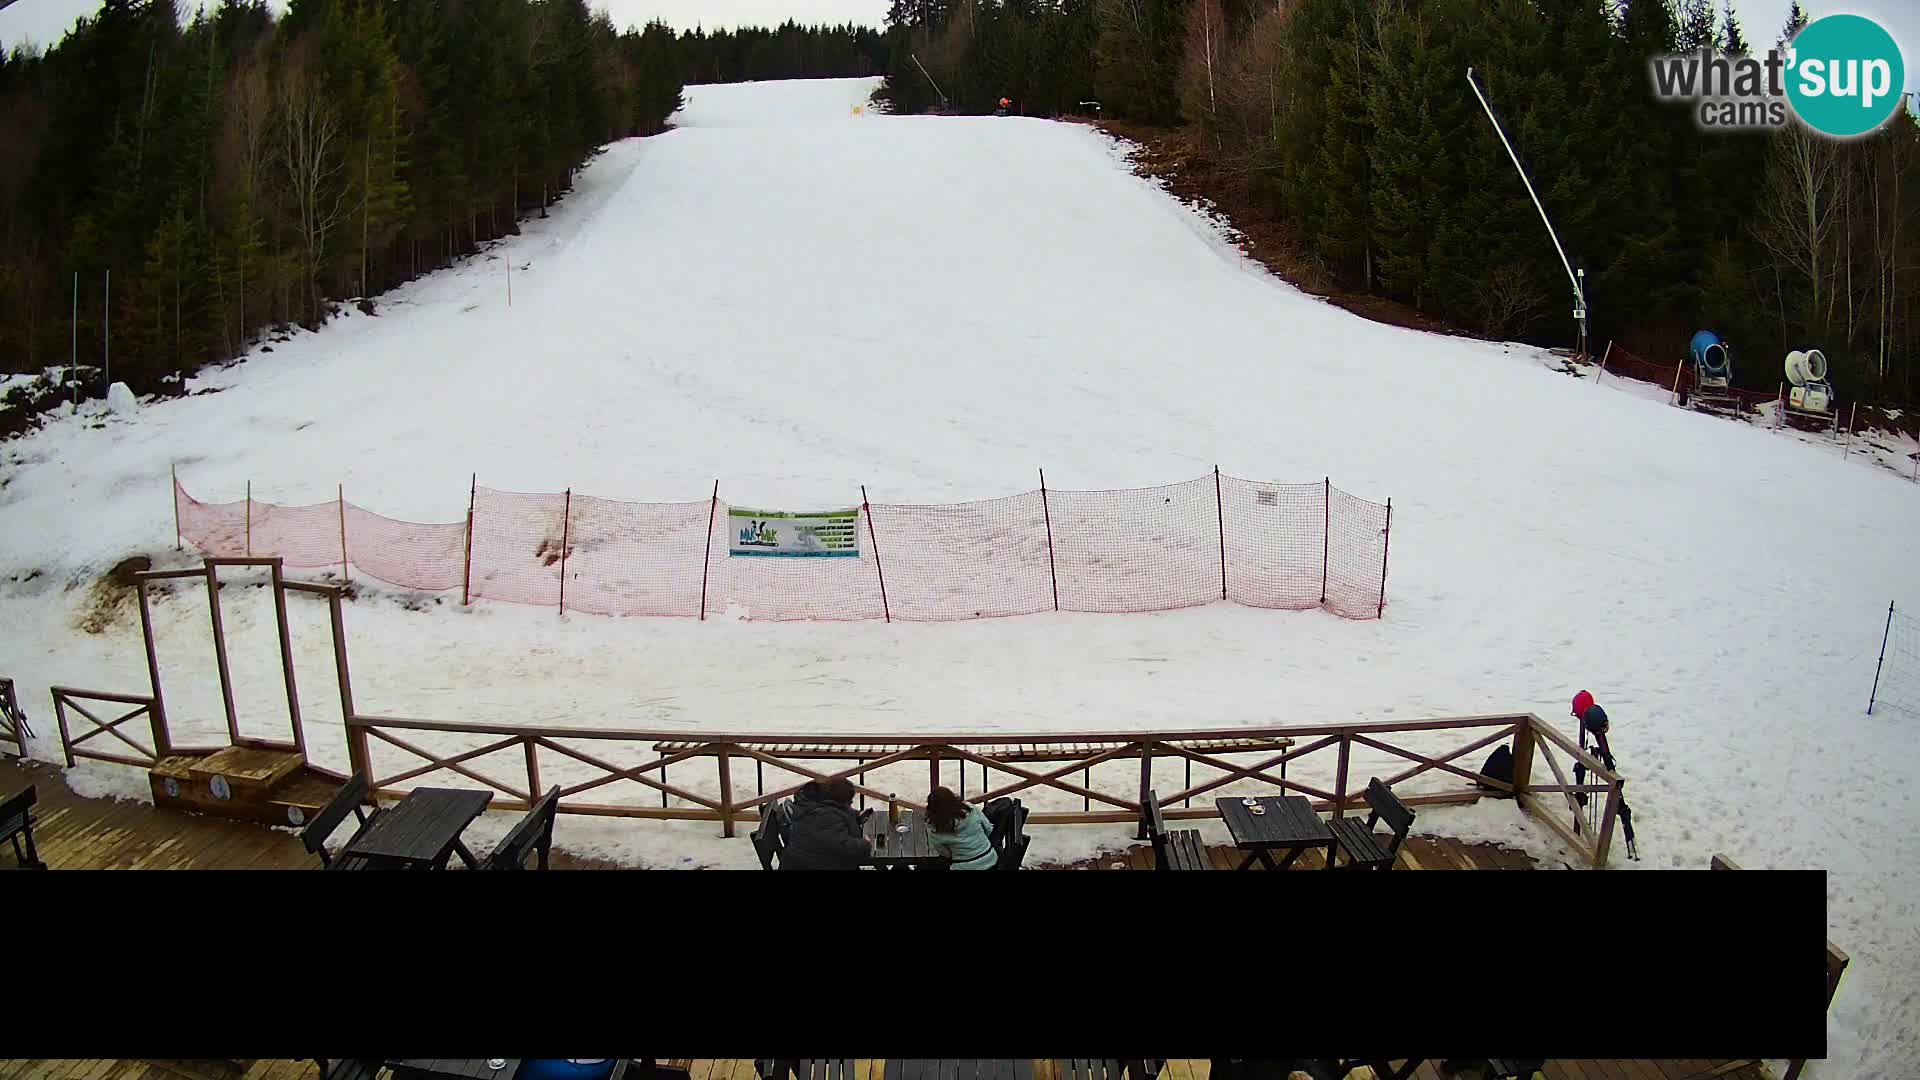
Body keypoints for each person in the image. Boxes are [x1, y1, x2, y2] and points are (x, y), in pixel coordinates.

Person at [781, 777, 871, 870]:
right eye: (849, 801)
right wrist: (865, 844)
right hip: (812, 864)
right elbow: (843, 847)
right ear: (840, 800)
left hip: (804, 860)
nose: (851, 803)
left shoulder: (816, 804)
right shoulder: (824, 816)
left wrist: (856, 816)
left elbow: (841, 811)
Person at [924, 786, 999, 870]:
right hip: (989, 859)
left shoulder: (934, 828)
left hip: (963, 866)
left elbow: (946, 854)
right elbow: (988, 829)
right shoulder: (970, 808)